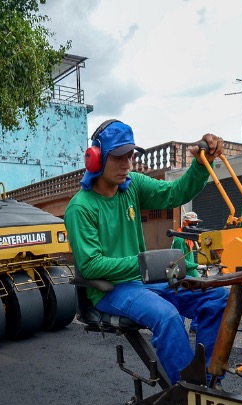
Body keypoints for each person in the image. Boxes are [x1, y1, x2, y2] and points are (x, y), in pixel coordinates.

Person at [66, 120, 231, 385]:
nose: (127, 165)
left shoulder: (132, 186)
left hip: (145, 282)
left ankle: (210, 382)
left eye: (130, 156)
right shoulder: (81, 208)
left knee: (216, 296)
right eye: (119, 157)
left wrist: (200, 166)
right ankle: (189, 392)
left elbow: (174, 193)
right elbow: (91, 266)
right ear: (96, 159)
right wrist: (145, 264)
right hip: (110, 290)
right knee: (166, 316)